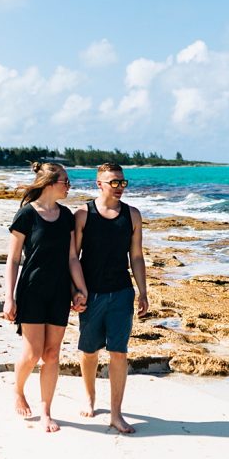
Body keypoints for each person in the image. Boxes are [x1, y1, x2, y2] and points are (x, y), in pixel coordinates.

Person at [3, 161, 87, 432]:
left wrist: (79, 288)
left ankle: (46, 412)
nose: (69, 186)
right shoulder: (26, 215)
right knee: (32, 353)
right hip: (32, 290)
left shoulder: (66, 216)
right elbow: (13, 259)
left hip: (60, 291)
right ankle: (18, 390)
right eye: (65, 181)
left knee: (51, 355)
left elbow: (72, 257)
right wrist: (9, 297)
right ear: (50, 183)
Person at [74, 162, 149, 434]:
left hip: (121, 292)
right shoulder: (83, 214)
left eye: (123, 182)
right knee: (90, 351)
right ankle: (90, 396)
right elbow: (74, 257)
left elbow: (137, 256)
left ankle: (116, 414)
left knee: (119, 352)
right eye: (114, 182)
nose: (120, 187)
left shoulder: (133, 215)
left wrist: (143, 291)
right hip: (91, 294)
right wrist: (76, 290)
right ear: (99, 184)